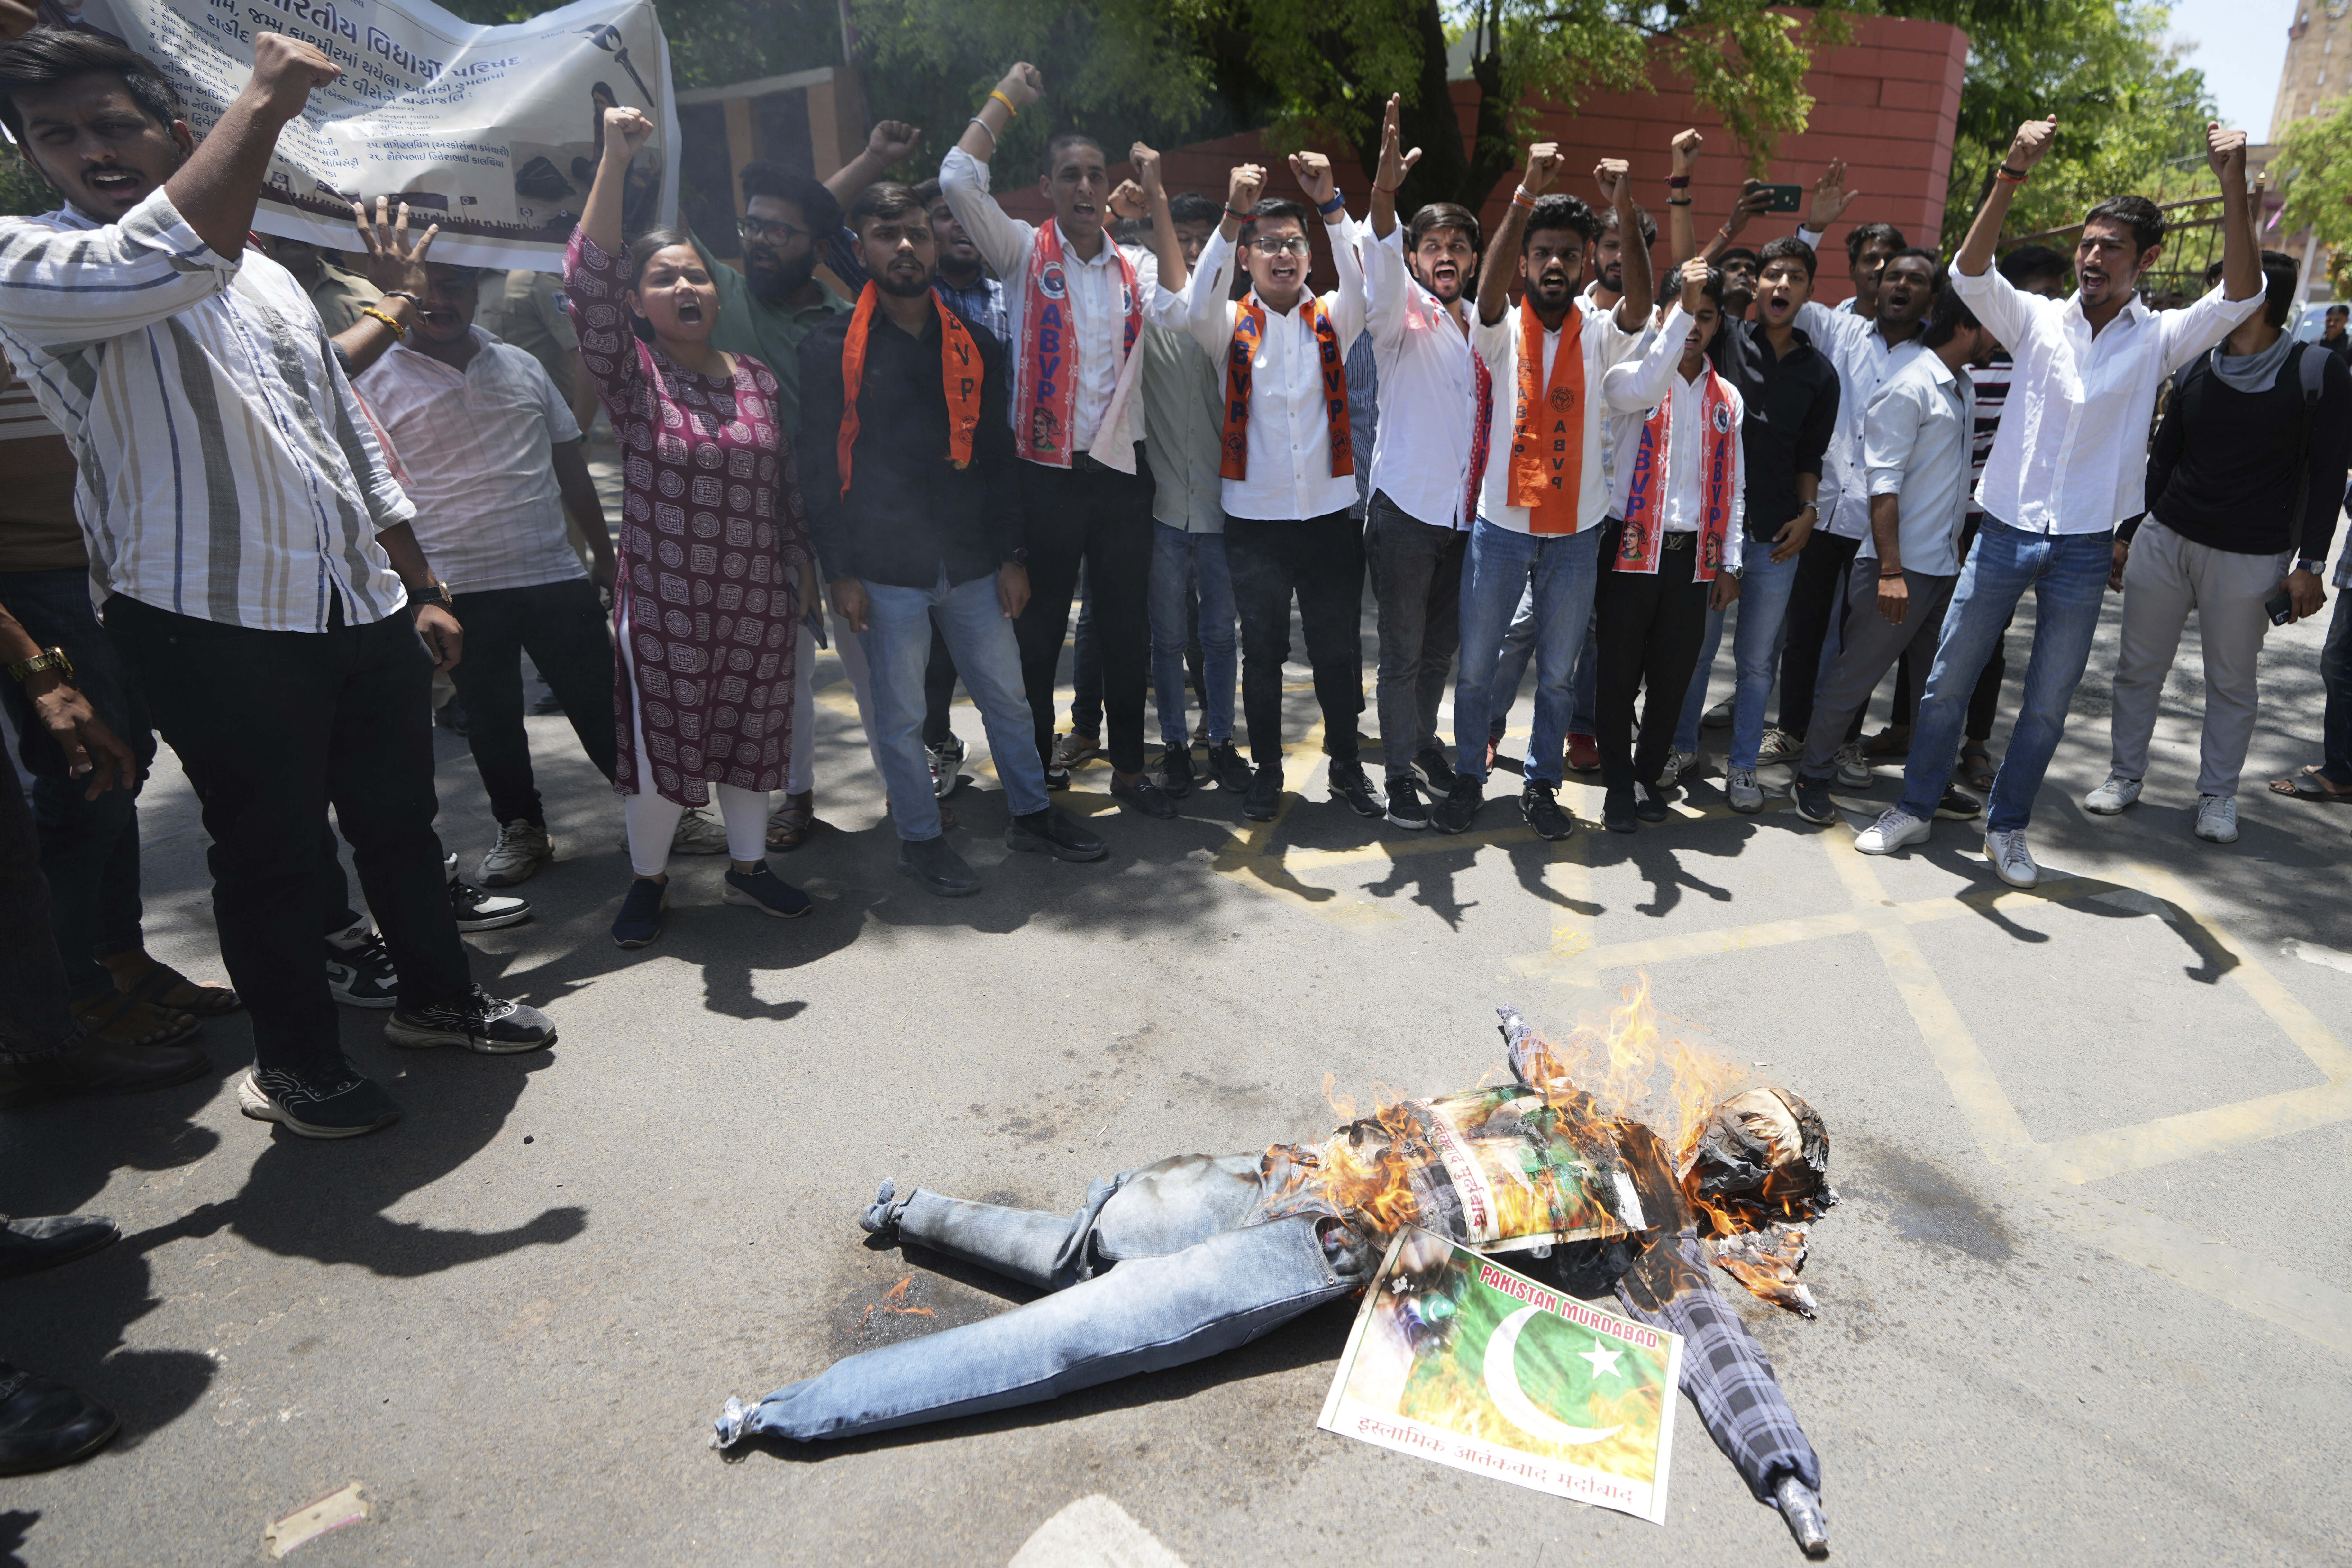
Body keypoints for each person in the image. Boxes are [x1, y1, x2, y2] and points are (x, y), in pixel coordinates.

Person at [712, 1004, 1832, 1560]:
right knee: (1083, 1245)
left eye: (1757, 1136)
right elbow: (1537, 1073)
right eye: (1748, 1114)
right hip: (1292, 1167)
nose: (1736, 1130)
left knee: (1076, 1334)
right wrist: (1521, 1031)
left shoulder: (1665, 1235)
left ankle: (793, 1410)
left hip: (1316, 1245)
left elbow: (1721, 1357)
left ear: (1758, 1178)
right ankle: (904, 1209)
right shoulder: (1610, 1117)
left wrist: (1783, 1469)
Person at [0, 27, 556, 1139]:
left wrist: (418, 577)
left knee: (400, 824)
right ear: (28, 155)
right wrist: (267, 97)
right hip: (206, 622)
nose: (91, 152)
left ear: (175, 131)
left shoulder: (260, 272)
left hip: (354, 602)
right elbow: (156, 261)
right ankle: (295, 1062)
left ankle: (439, 1003)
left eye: (116, 124)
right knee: (273, 854)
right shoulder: (32, 262)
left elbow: (340, 427)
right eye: (56, 136)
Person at [1853, 116, 2266, 886]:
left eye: (2111, 247)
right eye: (2088, 243)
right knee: (1945, 681)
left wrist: (2231, 182)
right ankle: (1912, 806)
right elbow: (1971, 270)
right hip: (2005, 529)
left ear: (2145, 260)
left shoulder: (2162, 337)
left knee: (2046, 704)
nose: (2092, 257)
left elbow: (2242, 292)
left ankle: (2006, 827)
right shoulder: (2036, 319)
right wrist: (2010, 172)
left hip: (2083, 546)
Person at [798, 181, 1107, 895]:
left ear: (936, 243)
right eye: (886, 234)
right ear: (862, 247)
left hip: (971, 563)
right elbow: (817, 465)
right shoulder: (831, 348)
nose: (904, 247)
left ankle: (1030, 815)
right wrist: (838, 571)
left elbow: (999, 458)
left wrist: (1013, 555)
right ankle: (920, 838)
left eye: (916, 233)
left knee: (1008, 698)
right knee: (903, 717)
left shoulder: (978, 345)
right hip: (884, 567)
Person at [568, 105, 821, 947]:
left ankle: (748, 871)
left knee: (757, 735)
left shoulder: (756, 379)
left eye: (698, 276)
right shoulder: (634, 381)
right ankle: (648, 881)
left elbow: (784, 491)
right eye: (665, 279)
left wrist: (800, 575)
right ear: (636, 306)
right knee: (659, 742)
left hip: (756, 596)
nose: (686, 288)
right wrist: (616, 155)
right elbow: (586, 277)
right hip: (668, 608)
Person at [944, 63, 1183, 817]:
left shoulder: (1135, 265)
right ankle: (1038, 766)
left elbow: (1181, 301)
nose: (1085, 188)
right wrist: (1008, 98)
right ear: (1047, 188)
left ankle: (1131, 771)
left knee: (1123, 628)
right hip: (1042, 476)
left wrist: (1162, 199)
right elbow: (956, 178)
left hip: (1120, 473)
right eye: (1070, 176)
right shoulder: (1019, 254)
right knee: (1040, 633)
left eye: (1096, 176)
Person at [355, 258, 625, 887]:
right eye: (424, 291)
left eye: (453, 287)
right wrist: (412, 588)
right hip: (456, 591)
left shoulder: (521, 364)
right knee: (491, 719)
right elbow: (372, 499)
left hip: (553, 572)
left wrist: (606, 559)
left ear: (477, 290)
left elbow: (571, 467)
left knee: (603, 703)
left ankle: (661, 809)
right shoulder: (373, 380)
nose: (439, 302)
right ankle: (522, 827)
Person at [2089, 250, 2349, 843]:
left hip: (2250, 555)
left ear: (2258, 300)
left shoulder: (2316, 371)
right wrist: (2128, 533)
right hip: (2167, 538)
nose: (2212, 308)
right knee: (2136, 671)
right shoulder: (2194, 365)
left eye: (2223, 293)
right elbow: (2162, 460)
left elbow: (2330, 471)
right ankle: (2123, 776)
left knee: (2230, 683)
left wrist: (2310, 564)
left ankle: (2217, 797)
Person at [1440, 145, 1654, 838]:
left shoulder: (1601, 336)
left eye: (1568, 254)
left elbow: (1643, 304)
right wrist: (1526, 193)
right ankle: (1470, 773)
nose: (1555, 265)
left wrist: (1621, 205)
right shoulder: (1499, 329)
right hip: (1501, 527)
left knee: (1559, 676)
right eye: (1542, 254)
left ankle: (1542, 784)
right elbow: (1492, 284)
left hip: (1575, 533)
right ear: (1525, 262)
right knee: (1476, 668)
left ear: (1588, 261)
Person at [1176, 152, 1374, 823]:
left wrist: (1333, 205)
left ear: (1310, 255)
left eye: (1293, 244)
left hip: (1327, 518)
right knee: (1262, 653)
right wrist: (1231, 214)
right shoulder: (1227, 323)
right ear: (1247, 258)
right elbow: (1192, 300)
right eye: (1268, 245)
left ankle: (1346, 765)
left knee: (1337, 651)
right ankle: (1267, 768)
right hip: (1254, 522)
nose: (1282, 255)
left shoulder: (1334, 318)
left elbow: (1365, 279)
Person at [1669, 136, 1842, 813]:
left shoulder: (1819, 373)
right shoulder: (1725, 342)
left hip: (1776, 539)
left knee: (1755, 662)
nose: (1781, 286)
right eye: (1772, 276)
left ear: (1806, 293)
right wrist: (1693, 193)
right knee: (1694, 647)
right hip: (1713, 533)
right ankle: (1683, 743)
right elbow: (1690, 280)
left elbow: (1811, 458)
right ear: (1756, 286)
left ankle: (1743, 764)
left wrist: (1808, 513)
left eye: (1795, 279)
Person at [1791, 283, 1996, 827]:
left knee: (1940, 690)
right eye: (1994, 323)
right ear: (1966, 326)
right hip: (1896, 570)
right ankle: (1811, 774)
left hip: (1941, 569)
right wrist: (1889, 571)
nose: (2003, 335)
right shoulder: (1909, 388)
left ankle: (1928, 784)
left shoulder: (1961, 385)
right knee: (1854, 677)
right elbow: (1882, 487)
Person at [1765, 246, 1938, 785]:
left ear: (1929, 298)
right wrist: (1810, 231)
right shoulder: (1839, 330)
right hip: (1821, 511)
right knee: (1803, 630)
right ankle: (1792, 729)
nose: (1899, 287)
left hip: (1879, 524)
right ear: (1875, 284)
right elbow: (1787, 292)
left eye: (1913, 280)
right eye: (1891, 277)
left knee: (1858, 642)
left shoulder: (1932, 360)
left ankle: (1843, 743)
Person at [1360, 96, 1481, 829]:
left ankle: (1422, 741)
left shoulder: (1490, 324)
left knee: (1439, 655)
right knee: (1402, 656)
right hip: (1404, 513)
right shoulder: (1400, 311)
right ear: (1416, 257)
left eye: (1459, 246)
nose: (1445, 255)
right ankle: (1398, 772)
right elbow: (1377, 251)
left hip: (1467, 523)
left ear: (1473, 258)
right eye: (1432, 244)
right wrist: (1382, 194)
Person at [1593, 258, 1745, 834]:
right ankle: (1615, 785)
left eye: (1706, 317)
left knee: (1673, 678)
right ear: (1664, 317)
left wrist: (1730, 561)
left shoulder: (1727, 399)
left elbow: (1734, 487)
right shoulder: (1628, 378)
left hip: (1693, 561)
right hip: (1631, 552)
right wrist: (1677, 313)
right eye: (1686, 314)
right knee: (1617, 675)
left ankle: (1643, 773)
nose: (1695, 328)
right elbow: (1637, 389)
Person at [1121, 163, 1246, 799]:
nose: (1193, 251)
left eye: (1204, 241)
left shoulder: (1235, 327)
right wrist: (1123, 214)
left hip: (1225, 515)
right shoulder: (1143, 327)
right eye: (1183, 240)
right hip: (1166, 514)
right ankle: (1174, 745)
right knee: (1166, 640)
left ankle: (1220, 741)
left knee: (1222, 637)